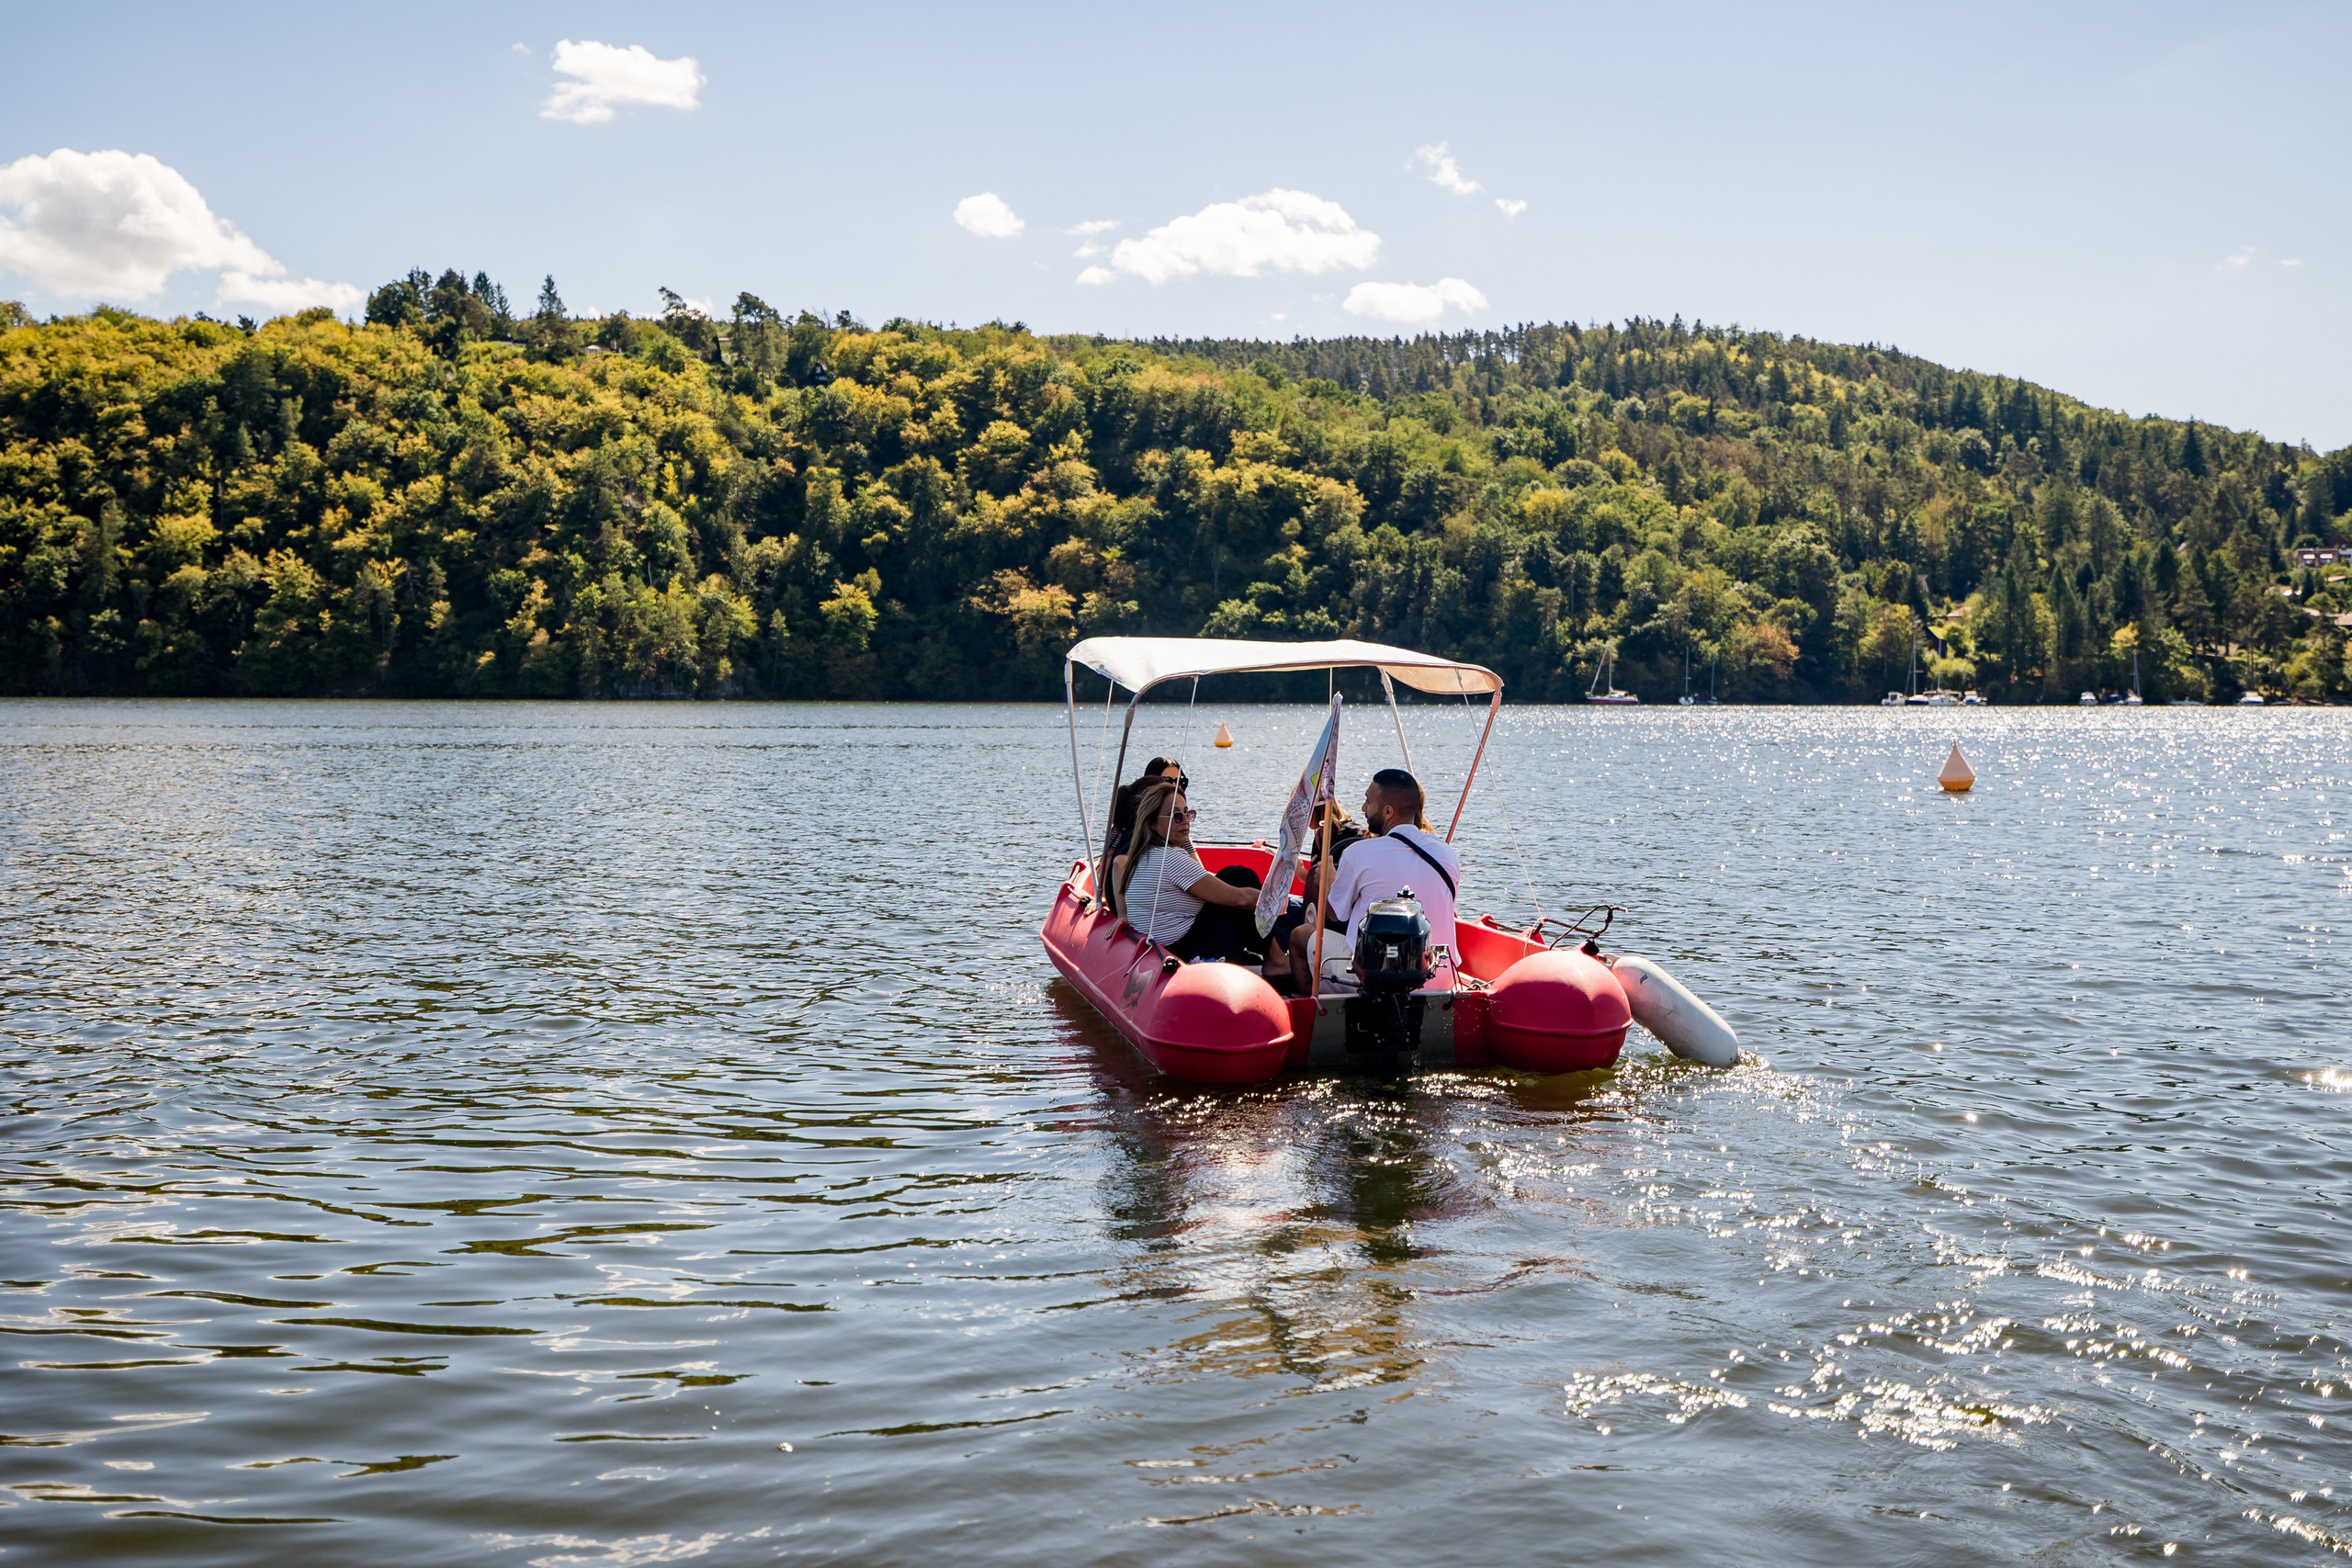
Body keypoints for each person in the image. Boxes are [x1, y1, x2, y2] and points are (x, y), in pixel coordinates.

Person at [1312, 768, 1462, 987]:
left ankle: (1320, 1012)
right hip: (1440, 977)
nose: (1363, 808)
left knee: (1301, 936)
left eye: (1368, 801)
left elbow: (1336, 914)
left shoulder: (1358, 853)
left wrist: (1327, 881)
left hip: (1372, 979)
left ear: (1388, 811)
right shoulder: (1447, 854)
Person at [1114, 779, 1264, 963]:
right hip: (1184, 950)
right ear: (1152, 823)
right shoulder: (1172, 858)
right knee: (1240, 876)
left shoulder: (1139, 855)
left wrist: (1123, 915)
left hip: (1163, 945)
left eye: (1187, 813)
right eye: (1177, 816)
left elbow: (1117, 864)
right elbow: (1240, 899)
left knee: (1229, 875)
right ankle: (1275, 960)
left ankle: (1263, 954)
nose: (1185, 821)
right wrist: (1274, 899)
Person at [1267, 800, 1364, 991]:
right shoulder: (1321, 835)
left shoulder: (1349, 837)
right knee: (1283, 905)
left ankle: (1290, 965)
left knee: (1283, 914)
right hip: (1322, 905)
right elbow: (1317, 881)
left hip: (1336, 914)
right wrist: (1302, 873)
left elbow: (1339, 889)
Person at [1102, 756, 1185, 874]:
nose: (1175, 788)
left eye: (1181, 782)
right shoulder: (1125, 831)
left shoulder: (1179, 826)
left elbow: (1198, 869)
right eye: (1167, 781)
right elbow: (1107, 874)